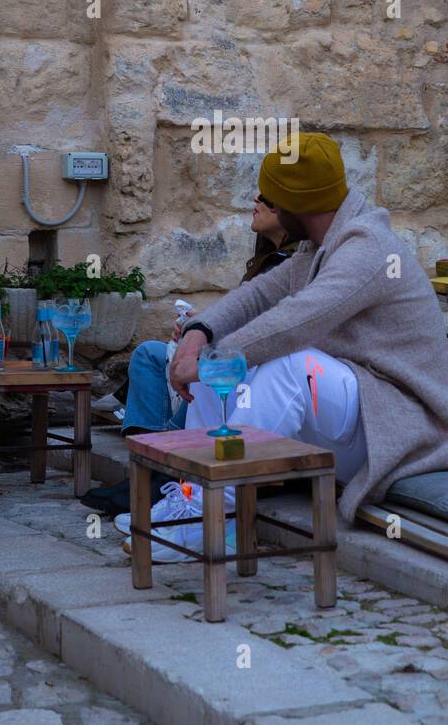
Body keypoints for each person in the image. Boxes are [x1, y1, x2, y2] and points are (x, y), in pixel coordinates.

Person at [121, 131, 448, 559]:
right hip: (360, 418)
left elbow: (296, 322)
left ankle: (211, 516)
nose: (263, 203)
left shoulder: (367, 249)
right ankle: (194, 506)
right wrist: (199, 335)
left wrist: (213, 358)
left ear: (293, 205)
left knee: (289, 366)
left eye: (270, 197)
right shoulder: (320, 246)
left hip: (404, 424)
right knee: (226, 362)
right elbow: (259, 295)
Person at [80, 195, 296, 517]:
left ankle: (165, 475)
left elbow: (269, 331)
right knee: (149, 355)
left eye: (267, 198)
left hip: (257, 367)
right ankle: (146, 470)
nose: (255, 200)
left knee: (205, 373)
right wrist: (197, 325)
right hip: (234, 354)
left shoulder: (295, 264)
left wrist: (205, 337)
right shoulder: (265, 261)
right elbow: (238, 315)